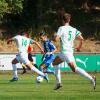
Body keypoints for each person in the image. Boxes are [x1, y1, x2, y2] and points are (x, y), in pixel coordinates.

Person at [53, 13, 96, 90]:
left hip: (66, 52)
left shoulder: (61, 28)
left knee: (74, 69)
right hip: (65, 52)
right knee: (55, 62)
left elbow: (56, 40)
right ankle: (58, 82)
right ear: (69, 20)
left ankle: (91, 78)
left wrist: (55, 36)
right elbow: (82, 39)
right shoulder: (74, 29)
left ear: (62, 20)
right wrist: (79, 47)